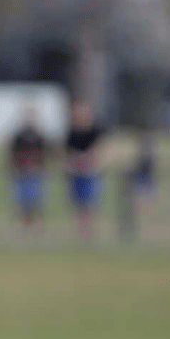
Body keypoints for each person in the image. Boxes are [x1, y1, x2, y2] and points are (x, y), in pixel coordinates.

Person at [65, 101, 106, 240]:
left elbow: (100, 149)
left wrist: (89, 158)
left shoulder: (95, 131)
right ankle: (81, 232)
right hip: (76, 172)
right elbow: (66, 152)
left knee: (92, 202)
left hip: (91, 172)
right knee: (78, 204)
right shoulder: (72, 133)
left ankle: (91, 232)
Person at [9, 104, 48, 232]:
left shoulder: (40, 136)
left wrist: (36, 164)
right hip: (22, 173)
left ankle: (38, 228)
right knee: (23, 203)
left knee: (37, 202)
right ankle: (26, 228)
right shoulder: (19, 136)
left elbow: (45, 155)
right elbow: (12, 154)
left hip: (36, 173)